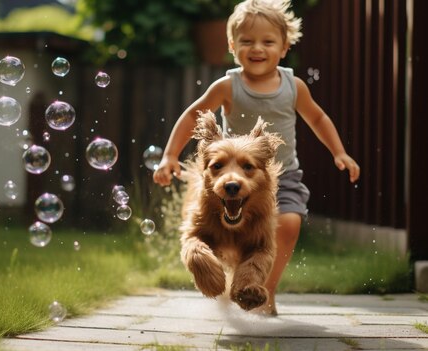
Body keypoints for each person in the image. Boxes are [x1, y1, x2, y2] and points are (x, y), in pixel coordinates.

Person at [152, 0, 360, 315]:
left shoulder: (294, 86)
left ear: (285, 46)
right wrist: (170, 155)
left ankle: (264, 290)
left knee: (288, 224)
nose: (257, 48)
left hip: (284, 175)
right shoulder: (227, 85)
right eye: (247, 41)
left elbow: (317, 118)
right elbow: (194, 115)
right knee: (211, 229)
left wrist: (339, 151)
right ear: (232, 46)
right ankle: (227, 281)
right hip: (231, 176)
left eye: (267, 41)